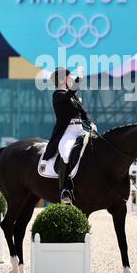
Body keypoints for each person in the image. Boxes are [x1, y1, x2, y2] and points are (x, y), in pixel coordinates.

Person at [43, 66, 96, 204]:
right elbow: (68, 94)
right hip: (68, 132)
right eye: (68, 76)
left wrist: (90, 123)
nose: (70, 78)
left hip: (80, 129)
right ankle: (64, 190)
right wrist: (79, 79)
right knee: (66, 153)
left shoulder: (73, 97)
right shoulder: (58, 95)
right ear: (61, 79)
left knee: (96, 146)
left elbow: (83, 112)